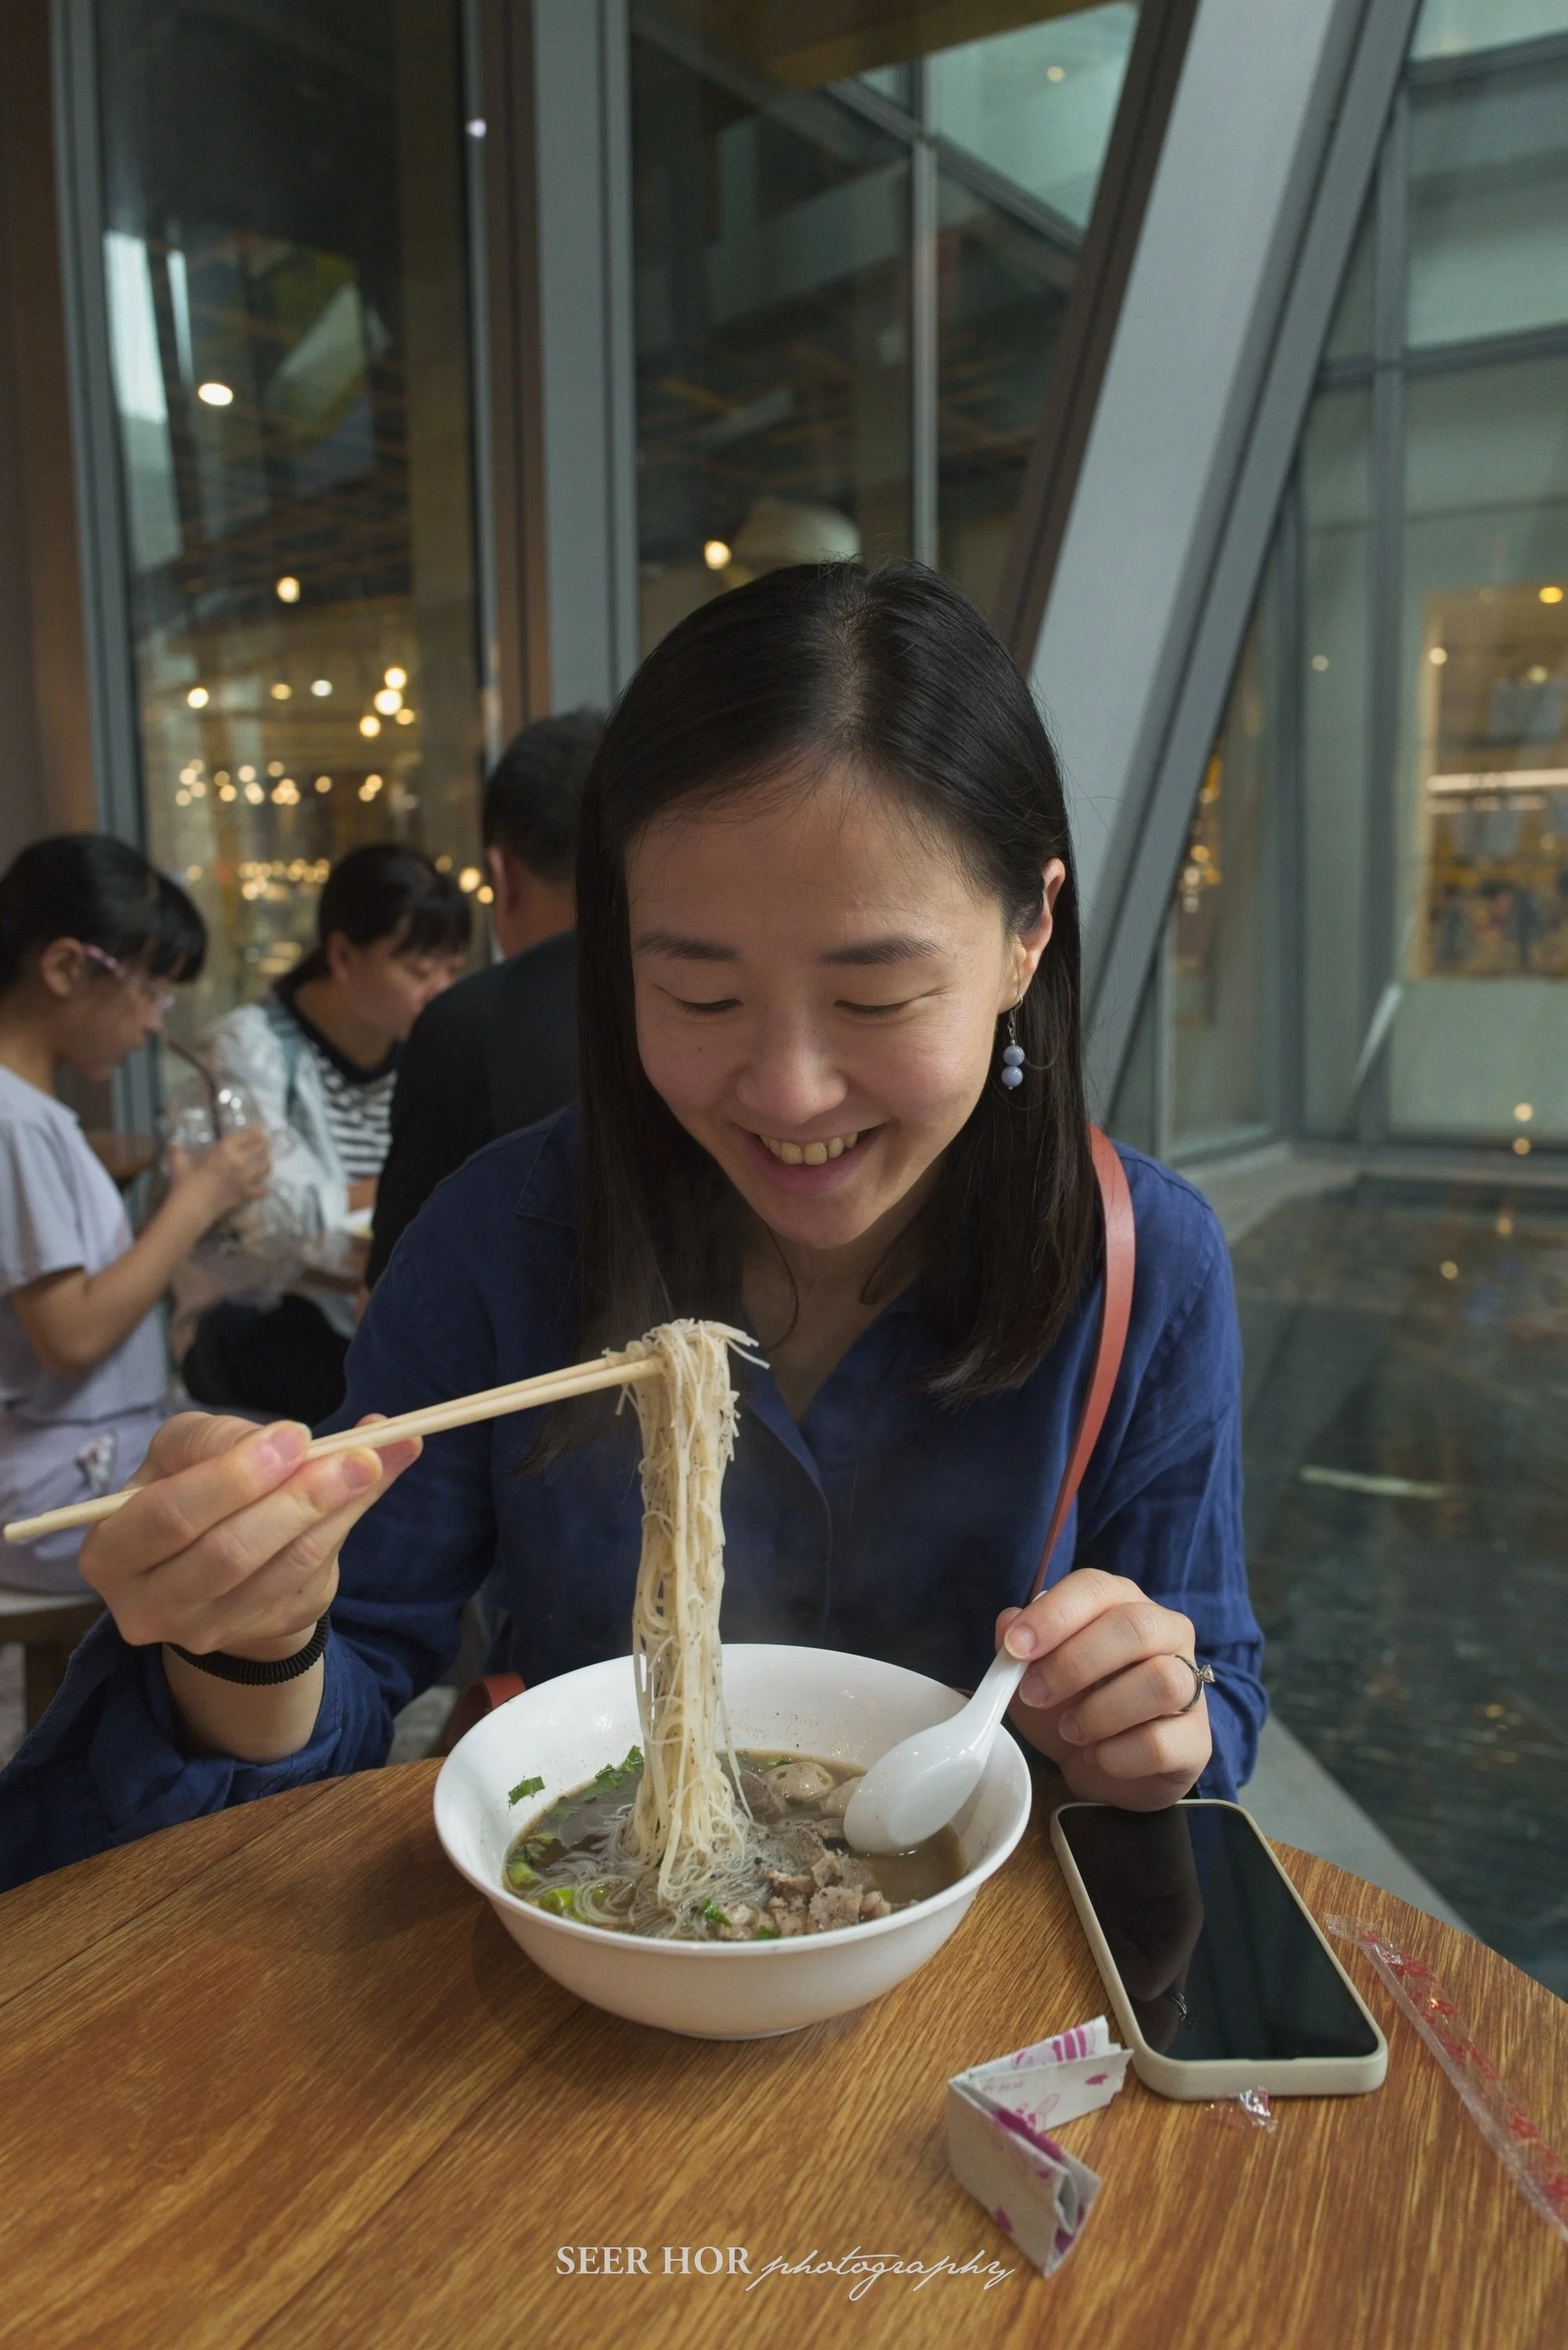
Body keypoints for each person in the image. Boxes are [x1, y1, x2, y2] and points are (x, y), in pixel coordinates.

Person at [0, 566, 1266, 1886]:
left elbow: (1214, 1693)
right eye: (701, 998)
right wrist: (247, 1637)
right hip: (590, 1968)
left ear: (1026, 936)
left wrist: (1151, 1715)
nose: (788, 1092)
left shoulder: (1145, 1263)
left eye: (875, 997)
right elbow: (356, 1679)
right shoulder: (505, 1235)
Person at [0, 836, 269, 1593]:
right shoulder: (16, 1120)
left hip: (78, 1451)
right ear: (64, 968)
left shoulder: (30, 1113)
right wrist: (195, 1202)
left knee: (302, 1458)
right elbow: (72, 1336)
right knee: (302, 1488)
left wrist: (181, 1205)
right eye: (149, 992)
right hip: (53, 1476)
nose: (154, 1025)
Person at [180, 844, 470, 1425]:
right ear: (342, 955)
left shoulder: (435, 1047)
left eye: (451, 970)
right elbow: (267, 1226)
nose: (439, 988)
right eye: (419, 970)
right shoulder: (252, 1046)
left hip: (383, 1302)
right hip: (262, 1316)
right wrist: (399, 1195)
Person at [364, 713, 602, 1289]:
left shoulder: (469, 1026)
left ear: (502, 873)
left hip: (523, 1374)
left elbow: (396, 1297)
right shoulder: (706, 993)